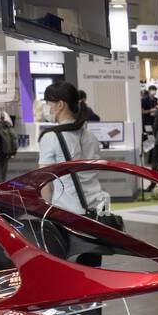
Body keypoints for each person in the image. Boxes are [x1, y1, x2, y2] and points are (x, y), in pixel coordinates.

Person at [38, 82, 110, 227]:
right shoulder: (90, 136)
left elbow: (44, 182)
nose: (46, 107)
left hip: (67, 212)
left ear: (60, 105)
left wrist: (45, 212)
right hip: (96, 208)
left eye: (47, 103)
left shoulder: (51, 137)